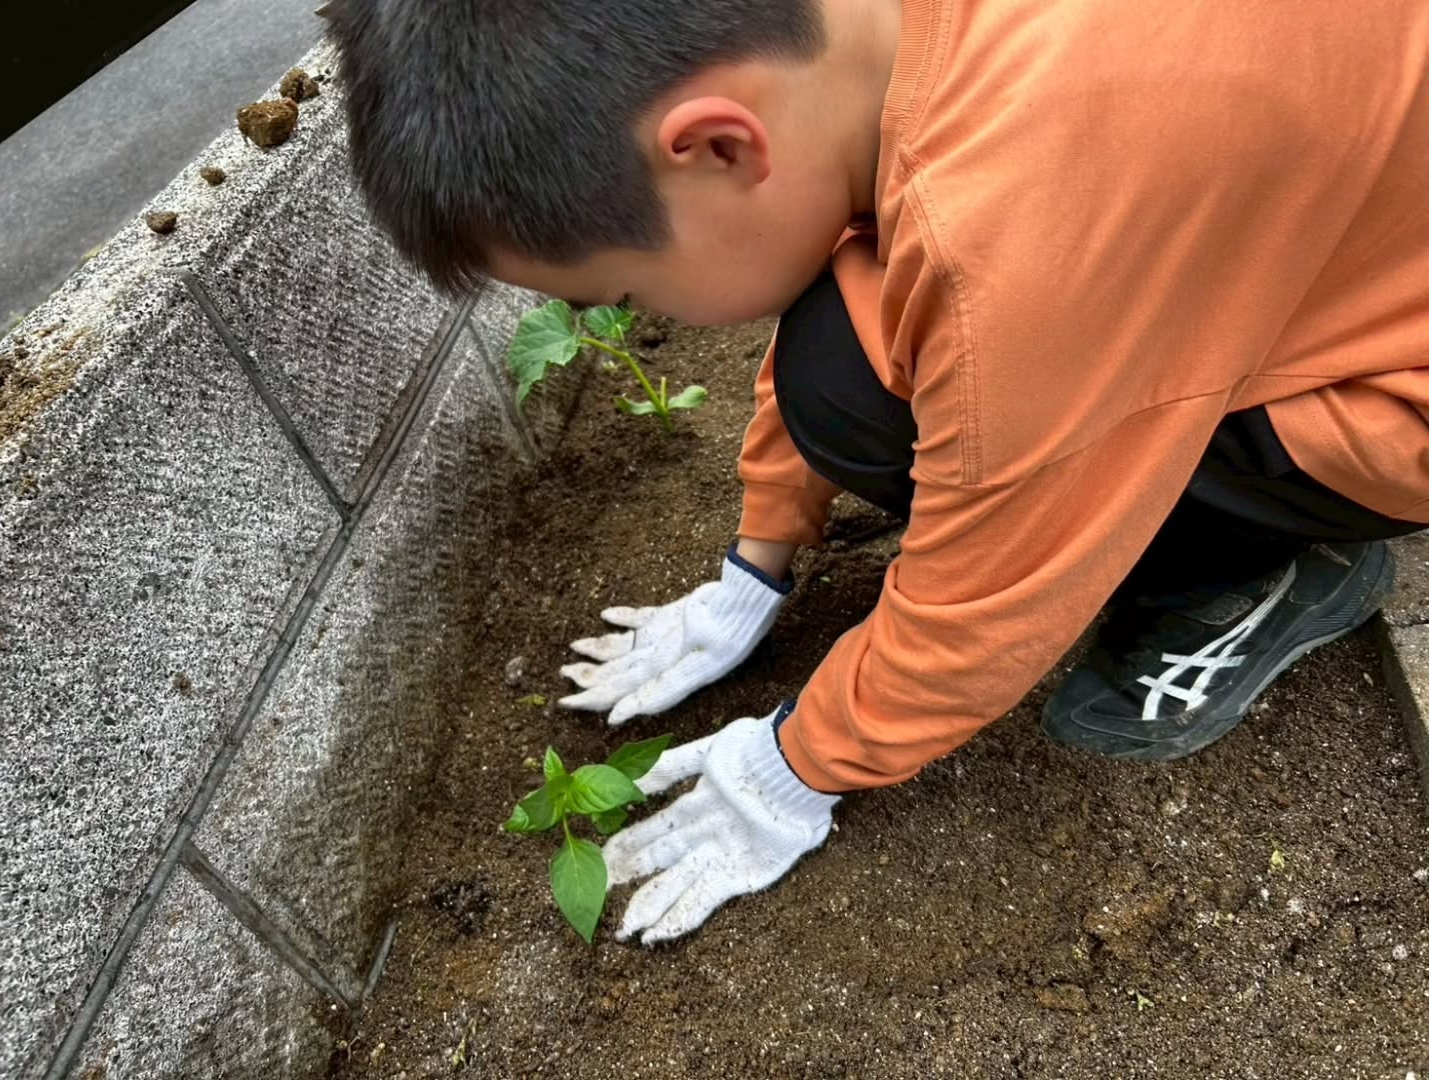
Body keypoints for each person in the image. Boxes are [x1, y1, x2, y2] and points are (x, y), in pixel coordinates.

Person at [326, 0, 1429, 945]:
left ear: (717, 146)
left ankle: (1264, 574)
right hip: (1327, 232)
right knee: (843, 370)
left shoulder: (1039, 209)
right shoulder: (878, 47)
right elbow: (867, 254)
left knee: (984, 415)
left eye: (625, 292)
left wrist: (793, 768)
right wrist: (757, 559)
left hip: (1393, 389)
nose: (640, 315)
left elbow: (993, 588)